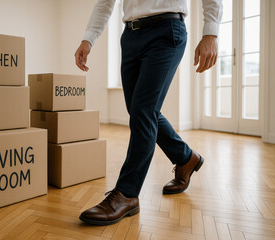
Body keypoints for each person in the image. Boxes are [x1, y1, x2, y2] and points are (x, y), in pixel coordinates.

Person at [75, 0, 222, 226]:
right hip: (131, 35)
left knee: (143, 111)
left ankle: (127, 193)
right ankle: (186, 158)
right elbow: (104, 3)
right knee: (140, 111)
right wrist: (88, 38)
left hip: (167, 30)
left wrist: (210, 32)